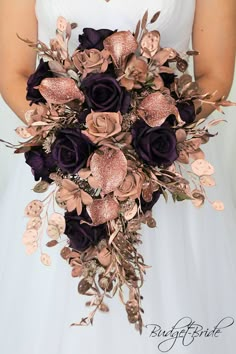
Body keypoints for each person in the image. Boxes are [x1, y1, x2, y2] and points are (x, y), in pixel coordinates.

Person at [0, 1, 235, 354]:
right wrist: (72, 134)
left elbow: (216, 76)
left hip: (162, 165)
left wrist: (147, 132)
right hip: (63, 167)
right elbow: (12, 72)